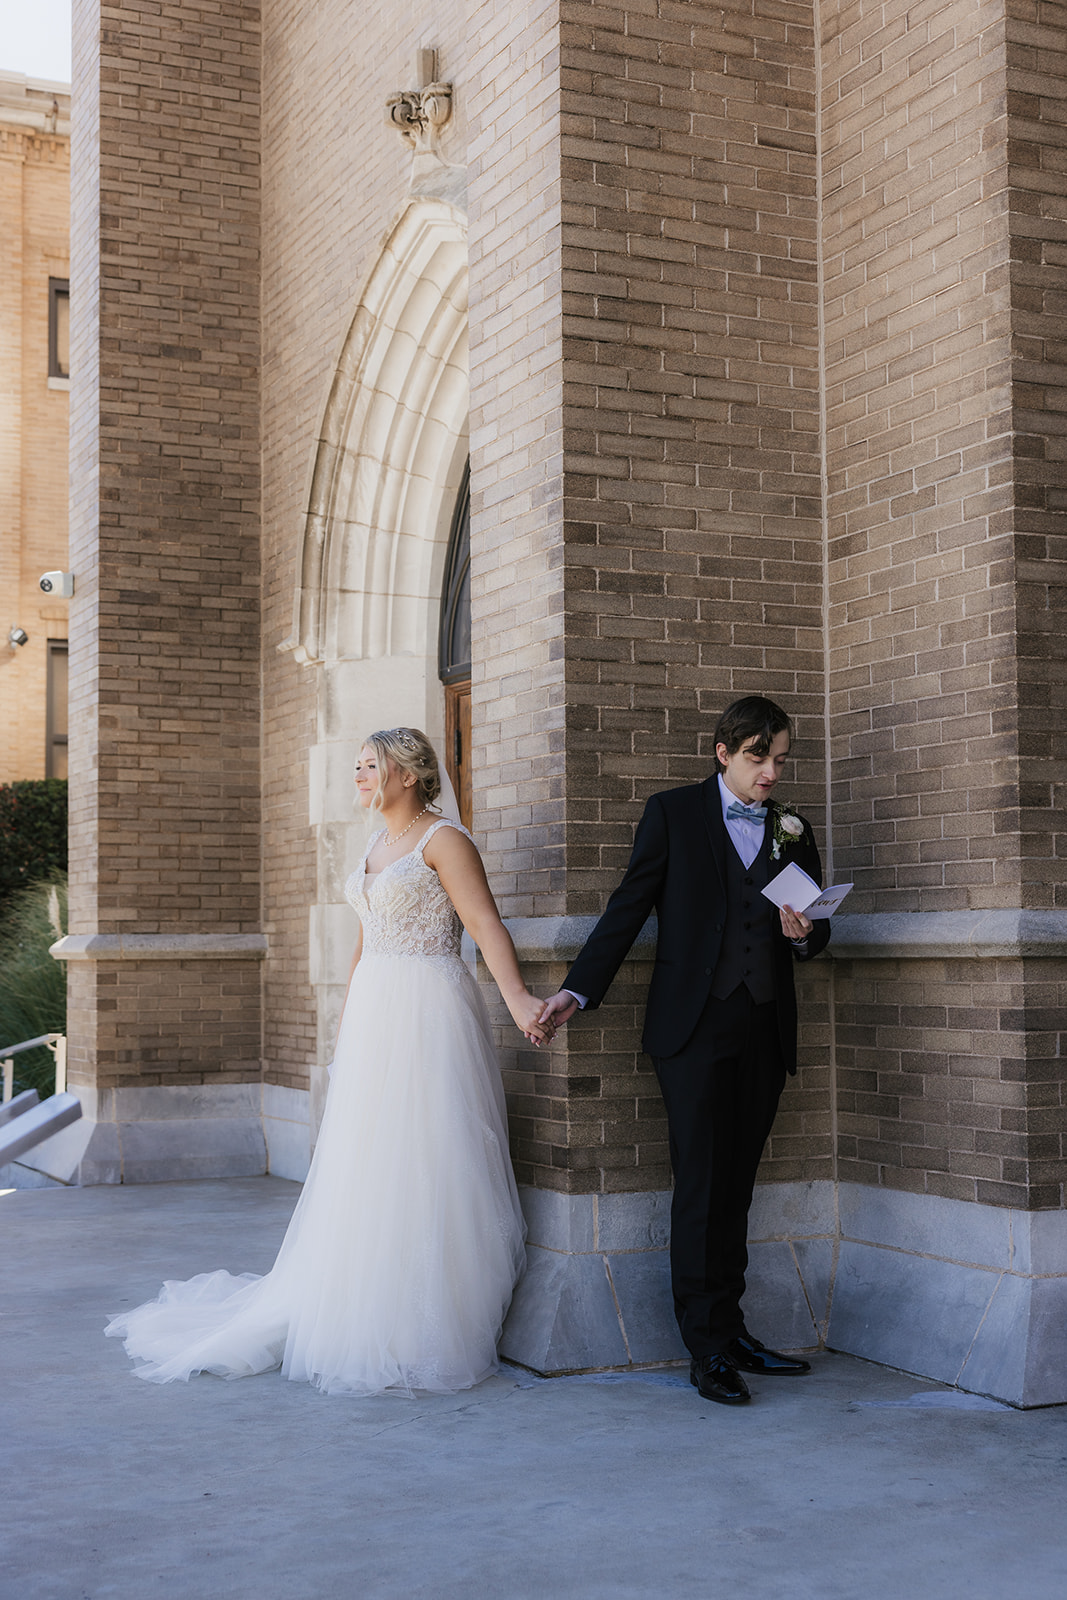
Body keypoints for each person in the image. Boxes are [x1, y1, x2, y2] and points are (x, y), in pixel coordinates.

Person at [107, 727, 550, 1396]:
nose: (360, 778)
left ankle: (423, 1322)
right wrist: (348, 1024)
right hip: (377, 1011)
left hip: (429, 1008)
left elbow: (485, 925)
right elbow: (365, 940)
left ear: (408, 773)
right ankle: (359, 1296)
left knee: (428, 1153)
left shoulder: (445, 841)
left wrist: (516, 1000)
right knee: (365, 1160)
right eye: (357, 768)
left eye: (370, 767)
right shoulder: (374, 845)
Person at [538, 696, 830, 1406]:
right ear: (722, 752)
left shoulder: (792, 827)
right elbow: (627, 907)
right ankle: (704, 1350)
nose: (771, 772)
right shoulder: (671, 814)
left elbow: (816, 929)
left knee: (737, 1187)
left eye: (780, 759)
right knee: (701, 1186)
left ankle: (732, 1332)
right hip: (691, 1031)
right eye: (759, 757)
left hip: (764, 1026)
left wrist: (802, 935)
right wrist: (575, 993)